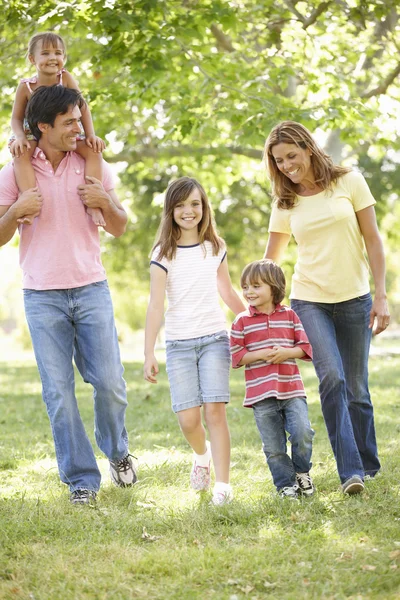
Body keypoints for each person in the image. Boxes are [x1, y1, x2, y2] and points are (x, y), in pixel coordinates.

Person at [0, 85, 137, 505]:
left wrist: (105, 203)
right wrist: (14, 212)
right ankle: (81, 480)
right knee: (58, 393)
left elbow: (119, 226)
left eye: (80, 119)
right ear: (43, 127)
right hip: (42, 296)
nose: (79, 127)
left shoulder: (91, 164)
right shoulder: (14, 171)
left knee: (110, 384)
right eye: (69, 122)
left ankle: (116, 452)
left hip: (91, 288)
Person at [263, 120, 390, 495]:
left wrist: (380, 295)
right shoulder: (285, 201)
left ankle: (368, 464)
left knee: (357, 389)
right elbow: (272, 259)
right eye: (279, 161)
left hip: (354, 297)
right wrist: (262, 302)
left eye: (291, 156)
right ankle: (350, 472)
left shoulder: (348, 181)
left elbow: (373, 239)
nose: (287, 166)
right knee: (331, 377)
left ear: (307, 147)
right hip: (309, 299)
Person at [143, 176, 245, 506]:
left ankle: (223, 487)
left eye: (195, 204)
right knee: (188, 419)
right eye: (181, 204)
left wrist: (253, 323)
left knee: (215, 410)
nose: (189, 211)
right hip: (179, 345)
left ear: (204, 208)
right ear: (170, 210)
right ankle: (202, 456)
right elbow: (155, 304)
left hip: (215, 338)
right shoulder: (162, 253)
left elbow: (227, 291)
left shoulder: (215, 247)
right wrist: (149, 352)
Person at [230, 259, 314, 499]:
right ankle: (285, 485)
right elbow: (235, 356)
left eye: (256, 286)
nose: (248, 292)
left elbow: (306, 347)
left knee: (302, 432)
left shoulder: (289, 315)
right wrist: (260, 355)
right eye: (245, 287)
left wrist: (287, 353)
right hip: (261, 395)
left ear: (274, 287)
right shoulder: (241, 321)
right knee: (274, 447)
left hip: (292, 390)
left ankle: (302, 472)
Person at [9, 31, 105, 227]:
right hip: (32, 130)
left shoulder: (66, 78)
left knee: (94, 151)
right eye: (45, 53)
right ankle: (30, 205)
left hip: (65, 129)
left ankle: (94, 203)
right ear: (32, 59)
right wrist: (20, 137)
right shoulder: (26, 87)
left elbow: (83, 108)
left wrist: (91, 135)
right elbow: (16, 118)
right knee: (21, 155)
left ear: (64, 58)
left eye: (58, 53)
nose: (52, 58)